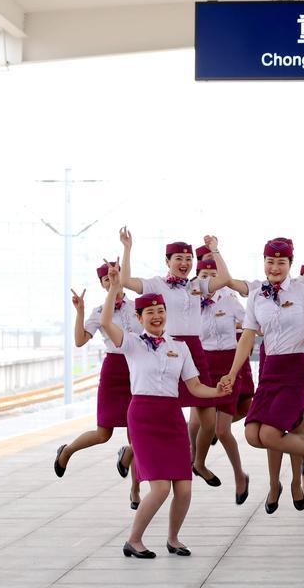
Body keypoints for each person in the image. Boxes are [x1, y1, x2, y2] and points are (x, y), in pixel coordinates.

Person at [98, 263, 231, 559]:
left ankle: (173, 539)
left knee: (184, 488)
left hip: (171, 416)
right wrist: (114, 288)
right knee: (159, 488)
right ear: (139, 318)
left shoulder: (180, 348)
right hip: (144, 416)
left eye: (161, 311)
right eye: (150, 313)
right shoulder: (131, 343)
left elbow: (195, 386)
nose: (157, 316)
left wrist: (218, 392)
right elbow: (106, 322)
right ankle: (134, 540)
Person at [218, 238, 304, 512]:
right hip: (271, 369)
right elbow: (248, 336)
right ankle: (280, 478)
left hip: (297, 369)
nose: (275, 267)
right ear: (264, 262)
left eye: (281, 262)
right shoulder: (256, 295)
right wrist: (232, 373)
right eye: (270, 261)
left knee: (274, 432)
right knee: (253, 434)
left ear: (290, 264)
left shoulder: (302, 290)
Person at [118, 228, 232, 489]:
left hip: (192, 350)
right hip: (164, 350)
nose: (184, 263)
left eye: (188, 259)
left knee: (209, 421)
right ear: (167, 261)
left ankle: (198, 463)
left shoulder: (196, 285)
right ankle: (135, 474)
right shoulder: (156, 284)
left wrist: (215, 249)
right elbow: (125, 280)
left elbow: (225, 279)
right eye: (178, 258)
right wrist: (127, 248)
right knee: (158, 418)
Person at [54, 262, 141, 510]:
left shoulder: (138, 306)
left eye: (115, 275)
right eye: (107, 279)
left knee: (137, 435)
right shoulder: (99, 311)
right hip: (114, 371)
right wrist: (80, 311)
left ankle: (135, 490)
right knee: (103, 434)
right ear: (102, 284)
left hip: (138, 368)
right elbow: (80, 341)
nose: (112, 281)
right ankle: (67, 451)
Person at [196, 259, 249, 504]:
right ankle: (198, 464)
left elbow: (251, 324)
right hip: (203, 365)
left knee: (221, 429)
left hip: (229, 364)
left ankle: (240, 475)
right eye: (204, 275)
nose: (209, 279)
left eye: (213, 274)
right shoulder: (190, 302)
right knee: (202, 423)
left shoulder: (229, 299)